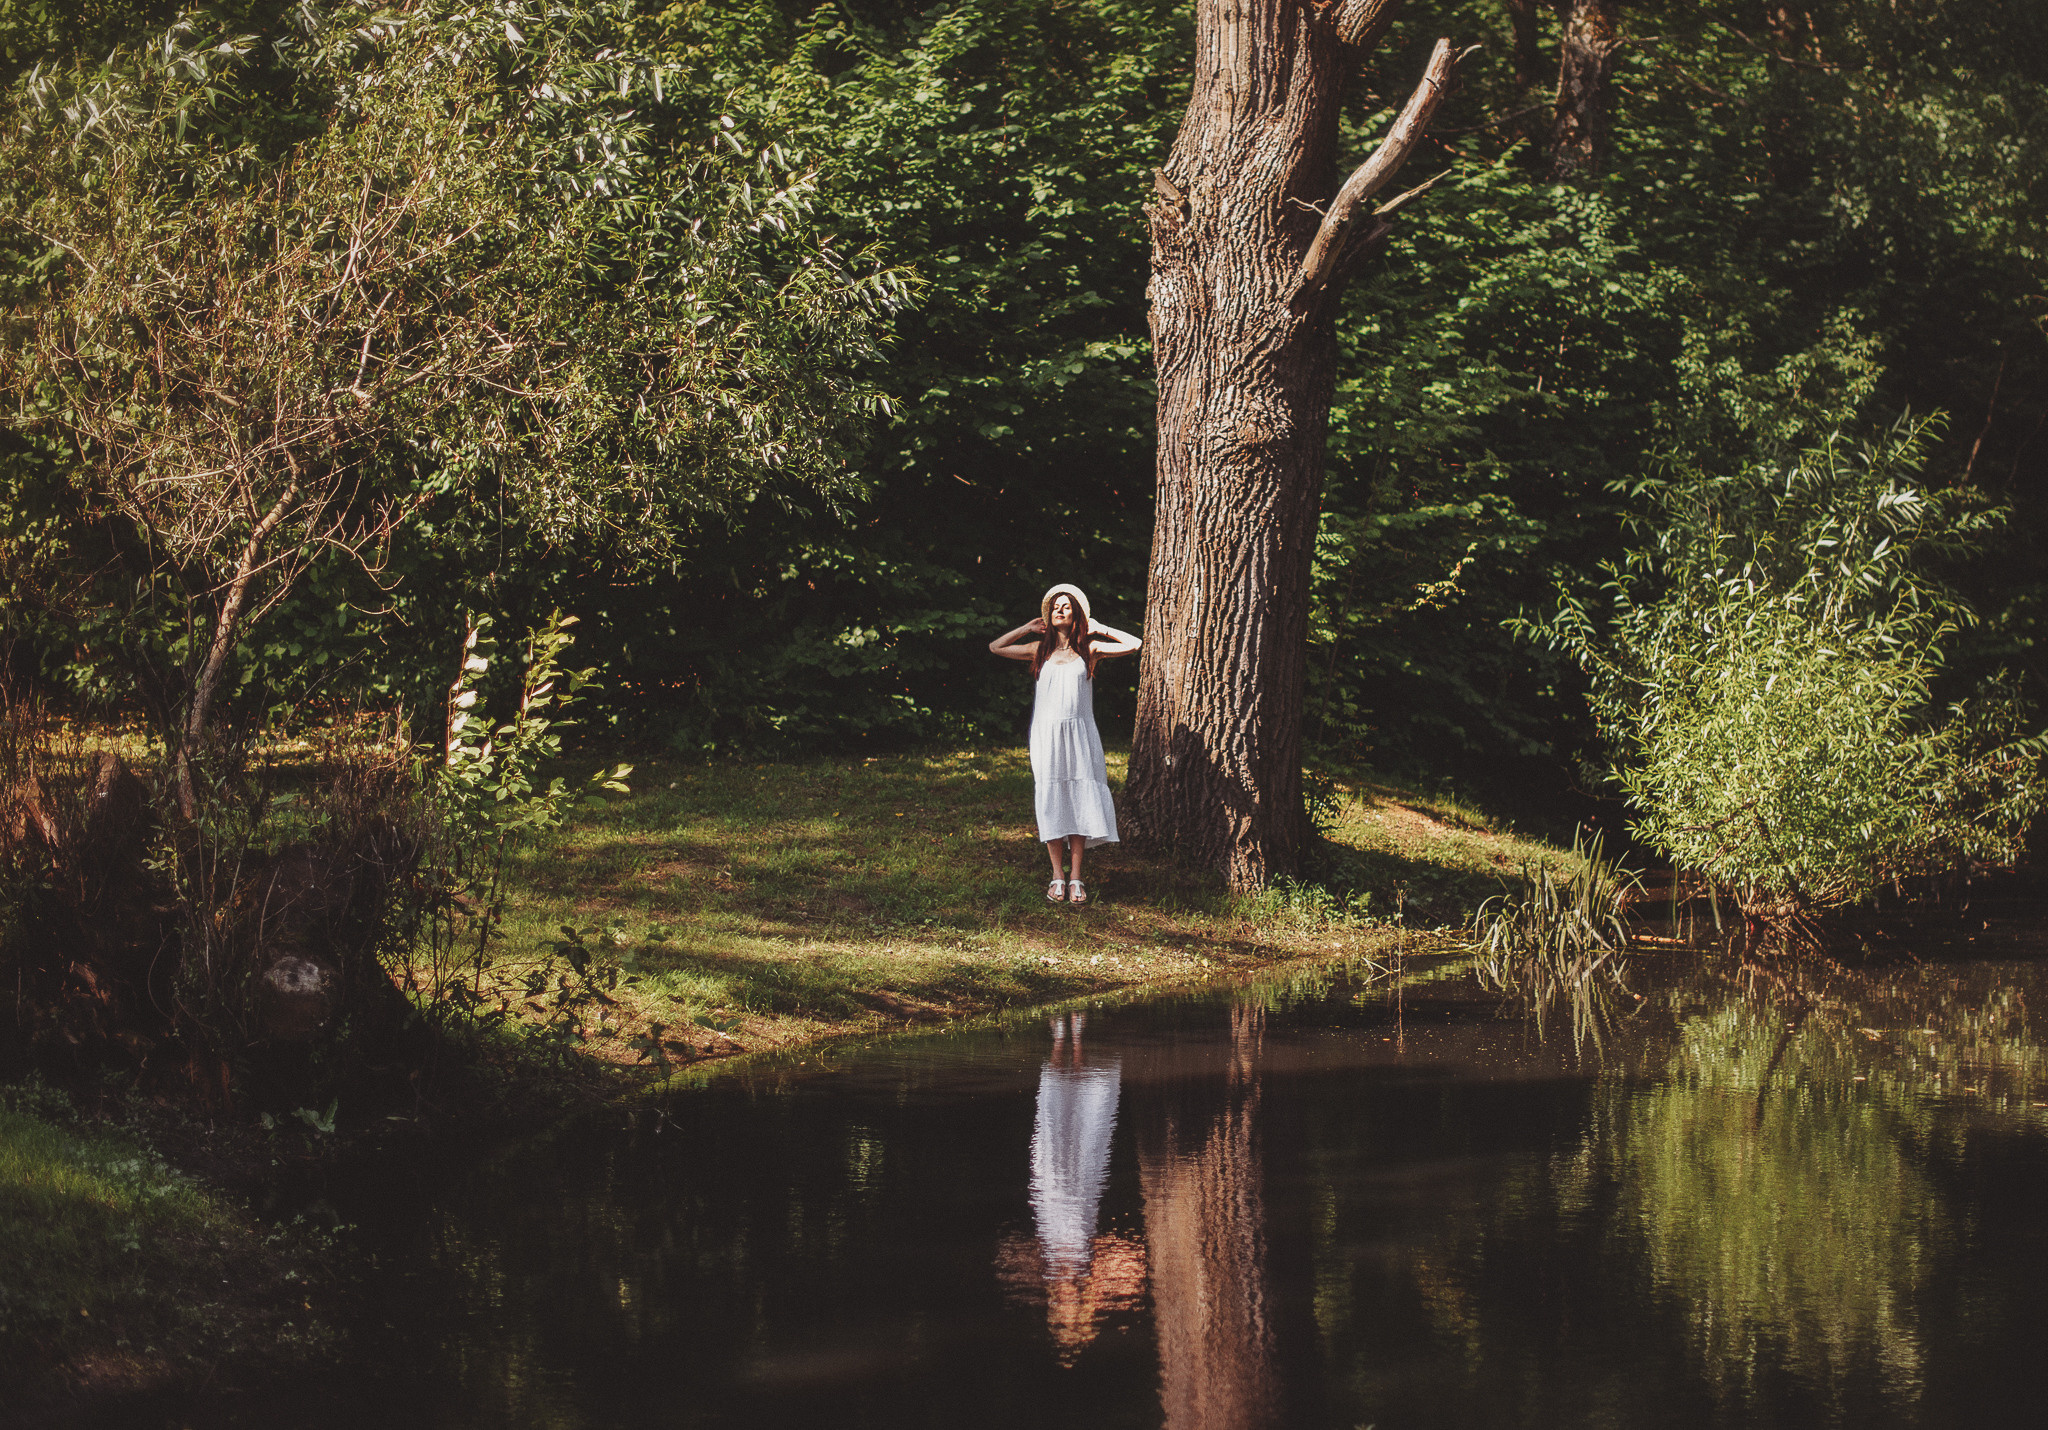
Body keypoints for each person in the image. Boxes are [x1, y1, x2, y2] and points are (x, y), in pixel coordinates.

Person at [988, 584, 1141, 904]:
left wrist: (1101, 629)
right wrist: (1026, 628)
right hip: (1047, 735)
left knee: (1079, 799)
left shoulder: (1091, 649)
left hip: (1080, 734)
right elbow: (995, 647)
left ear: (1076, 615)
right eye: (1055, 606)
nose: (1059, 610)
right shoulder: (1037, 649)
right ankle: (1056, 875)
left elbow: (1134, 644)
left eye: (1066, 606)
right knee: (1052, 798)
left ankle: (1076, 878)